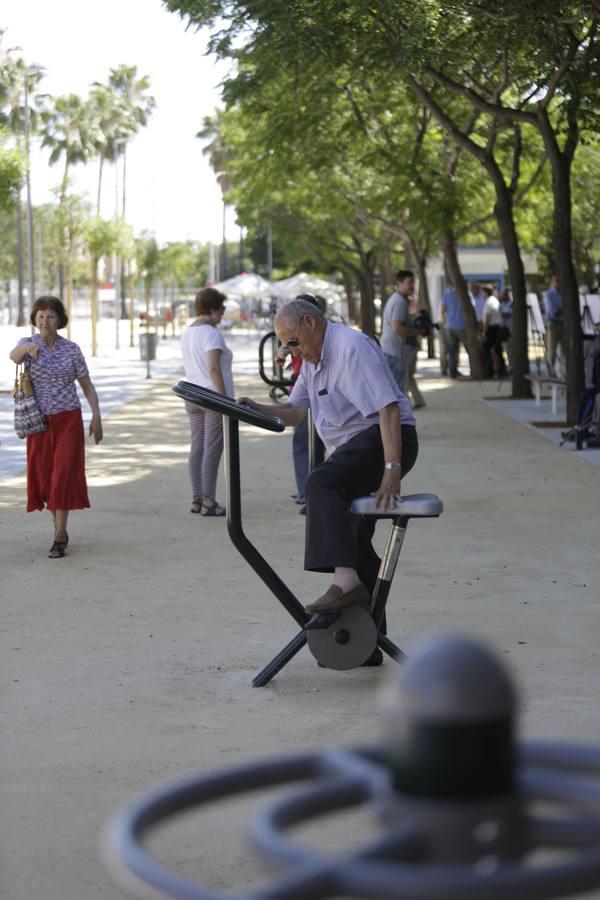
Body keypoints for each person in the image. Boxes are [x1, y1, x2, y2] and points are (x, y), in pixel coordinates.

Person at [239, 299, 418, 626]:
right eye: (285, 346)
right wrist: (256, 409)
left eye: (293, 342)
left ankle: (344, 582)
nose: (292, 352)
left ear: (309, 322)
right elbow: (294, 413)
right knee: (355, 539)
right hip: (357, 448)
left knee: (320, 482)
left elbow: (388, 409)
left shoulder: (352, 348)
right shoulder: (311, 362)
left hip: (387, 438)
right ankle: (365, 642)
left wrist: (392, 471)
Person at [9, 295, 103, 559]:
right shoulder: (28, 343)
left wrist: (96, 415)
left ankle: (59, 535)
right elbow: (13, 357)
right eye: (40, 316)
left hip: (68, 418)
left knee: (62, 474)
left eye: (50, 316)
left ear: (60, 319)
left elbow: (87, 386)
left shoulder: (71, 350)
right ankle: (57, 524)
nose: (45, 321)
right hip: (38, 422)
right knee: (45, 475)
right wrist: (27, 350)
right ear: (34, 319)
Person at [180, 287, 232, 516]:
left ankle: (197, 498)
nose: (223, 313)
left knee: (198, 447)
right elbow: (213, 368)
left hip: (192, 394)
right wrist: (225, 400)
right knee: (212, 448)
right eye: (221, 308)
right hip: (212, 397)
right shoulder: (211, 334)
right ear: (211, 309)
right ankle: (209, 500)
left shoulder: (188, 332)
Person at [276, 293, 327, 514]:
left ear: (308, 320)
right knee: (310, 439)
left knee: (313, 439)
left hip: (310, 385)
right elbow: (283, 350)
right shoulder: (316, 337)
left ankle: (311, 491)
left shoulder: (316, 337)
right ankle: (309, 490)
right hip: (303, 384)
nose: (295, 349)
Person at [380, 270, 426, 397]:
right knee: (396, 394)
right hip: (394, 353)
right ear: (399, 283)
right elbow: (397, 327)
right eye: (409, 283)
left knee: (394, 391)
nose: (412, 286)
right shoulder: (399, 302)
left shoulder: (398, 300)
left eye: (413, 283)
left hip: (391, 351)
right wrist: (418, 332)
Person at [440, 285, 468, 378]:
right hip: (462, 326)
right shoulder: (464, 295)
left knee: (452, 350)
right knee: (468, 349)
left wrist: (444, 323)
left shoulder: (447, 295)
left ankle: (452, 372)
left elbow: (442, 310)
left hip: (450, 326)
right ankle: (474, 370)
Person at [482, 286, 507, 377]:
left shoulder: (489, 302)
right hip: (496, 328)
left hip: (492, 329)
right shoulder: (494, 301)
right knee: (497, 350)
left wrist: (484, 331)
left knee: (489, 350)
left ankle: (491, 370)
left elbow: (487, 318)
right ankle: (501, 369)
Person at [543, 274, 564, 377]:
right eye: (556, 281)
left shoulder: (564, 293)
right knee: (552, 353)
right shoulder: (549, 294)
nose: (558, 283)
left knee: (565, 353)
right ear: (552, 282)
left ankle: (564, 374)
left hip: (564, 325)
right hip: (554, 324)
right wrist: (564, 309)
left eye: (559, 281)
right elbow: (553, 312)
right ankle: (551, 375)